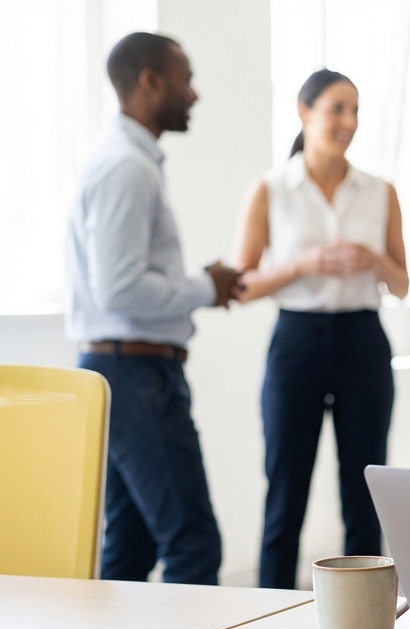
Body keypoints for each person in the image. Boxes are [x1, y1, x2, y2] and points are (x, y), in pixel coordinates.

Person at [67, 32, 240, 585]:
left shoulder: (125, 160)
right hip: (137, 375)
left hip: (126, 372)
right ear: (150, 81)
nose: (194, 94)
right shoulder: (126, 167)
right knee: (193, 544)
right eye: (185, 79)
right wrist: (203, 287)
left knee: (130, 550)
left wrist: (202, 287)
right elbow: (118, 290)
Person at [232, 70, 410, 589]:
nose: (349, 122)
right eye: (337, 108)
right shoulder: (270, 190)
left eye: (355, 111)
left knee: (365, 488)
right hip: (297, 342)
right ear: (304, 111)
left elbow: (401, 284)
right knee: (285, 486)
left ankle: (363, 615)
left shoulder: (381, 192)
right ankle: (266, 611)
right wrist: (301, 264)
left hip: (363, 341)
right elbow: (241, 286)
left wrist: (374, 257)